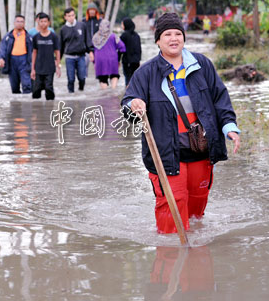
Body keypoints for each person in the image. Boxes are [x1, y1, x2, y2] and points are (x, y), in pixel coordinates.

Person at [121, 12, 241, 234]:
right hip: (166, 156)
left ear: (184, 37)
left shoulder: (201, 65)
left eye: (178, 33)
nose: (173, 38)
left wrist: (229, 127)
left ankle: (196, 259)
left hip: (201, 151)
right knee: (172, 212)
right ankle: (170, 256)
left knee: (196, 209)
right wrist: (133, 105)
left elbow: (220, 98)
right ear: (158, 40)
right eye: (167, 34)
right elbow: (127, 108)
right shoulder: (145, 73)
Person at [59, 7, 93, 93]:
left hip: (81, 56)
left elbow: (87, 40)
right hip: (69, 57)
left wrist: (91, 52)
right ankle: (71, 95)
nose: (71, 17)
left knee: (82, 77)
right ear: (65, 17)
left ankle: (81, 92)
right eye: (69, 16)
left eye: (73, 15)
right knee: (71, 79)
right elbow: (61, 46)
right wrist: (58, 60)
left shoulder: (82, 26)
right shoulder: (63, 29)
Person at [0, 15, 32, 94]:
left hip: (25, 62)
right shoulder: (8, 37)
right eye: (18, 21)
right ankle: (17, 105)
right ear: (14, 23)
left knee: (27, 86)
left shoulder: (29, 37)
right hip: (12, 62)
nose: (19, 23)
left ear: (24, 23)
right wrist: (1, 58)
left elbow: (33, 51)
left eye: (21, 22)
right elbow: (2, 48)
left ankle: (28, 104)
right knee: (14, 87)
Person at [30, 13, 61, 100]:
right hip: (38, 67)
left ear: (49, 23)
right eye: (41, 21)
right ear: (38, 22)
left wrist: (58, 67)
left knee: (49, 88)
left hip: (50, 67)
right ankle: (36, 110)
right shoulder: (36, 37)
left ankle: (50, 108)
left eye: (45, 21)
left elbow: (57, 52)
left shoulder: (53, 36)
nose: (43, 23)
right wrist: (32, 69)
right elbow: (34, 52)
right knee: (36, 90)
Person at [92, 19, 126, 89]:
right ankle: (113, 91)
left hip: (99, 60)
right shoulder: (113, 36)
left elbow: (92, 49)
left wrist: (94, 62)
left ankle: (106, 93)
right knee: (114, 75)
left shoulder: (95, 37)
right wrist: (119, 58)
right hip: (112, 59)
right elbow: (122, 47)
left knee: (102, 78)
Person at [120, 17, 142, 86]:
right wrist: (138, 59)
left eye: (122, 24)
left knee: (128, 79)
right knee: (135, 79)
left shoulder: (124, 35)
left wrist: (117, 60)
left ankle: (128, 94)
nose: (121, 26)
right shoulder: (137, 35)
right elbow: (139, 49)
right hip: (136, 61)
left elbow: (120, 49)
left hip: (127, 61)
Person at [83, 2, 102, 77]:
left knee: (98, 67)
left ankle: (100, 82)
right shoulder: (84, 21)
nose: (91, 12)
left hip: (98, 48)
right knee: (84, 66)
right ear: (87, 11)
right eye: (90, 10)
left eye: (93, 10)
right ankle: (84, 82)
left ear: (96, 11)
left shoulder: (100, 21)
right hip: (86, 48)